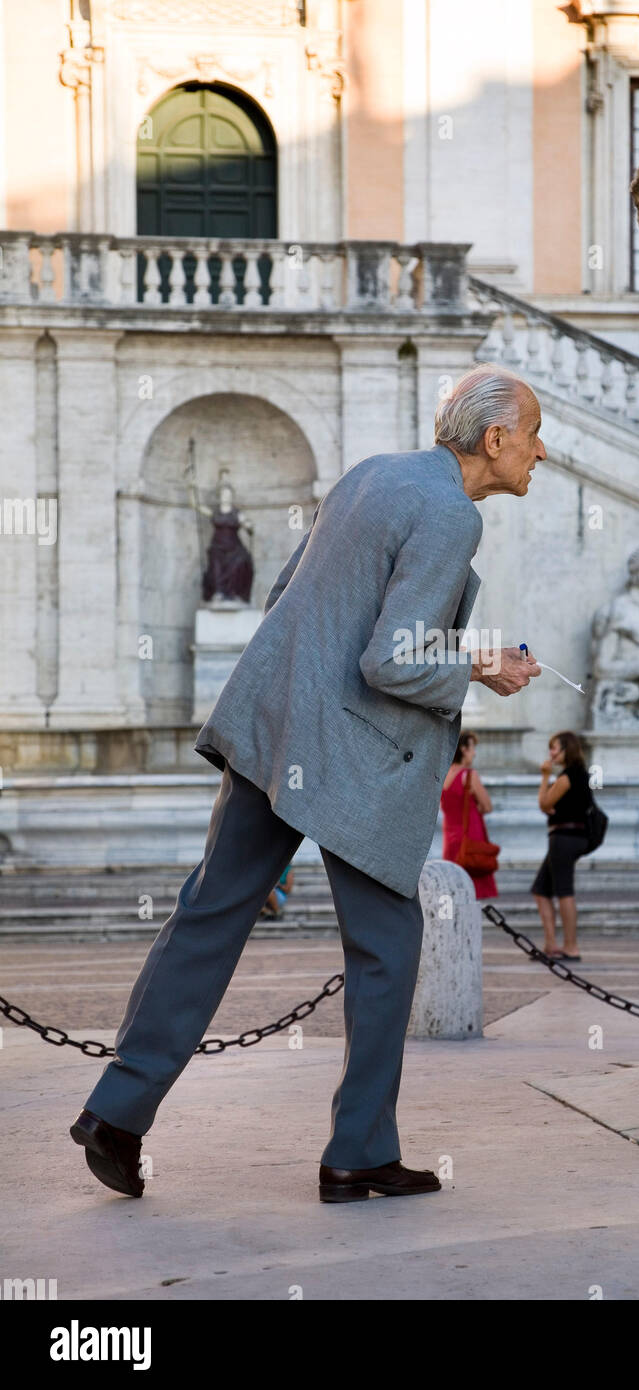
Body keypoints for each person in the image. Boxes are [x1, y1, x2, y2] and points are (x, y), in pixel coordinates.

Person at [70, 362, 545, 1205]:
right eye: (534, 434)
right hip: (351, 758)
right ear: (495, 438)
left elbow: (288, 592)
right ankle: (359, 1151)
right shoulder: (449, 512)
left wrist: (293, 698)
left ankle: (116, 1112)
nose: (541, 453)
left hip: (272, 722)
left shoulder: (371, 474)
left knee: (208, 914)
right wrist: (483, 665)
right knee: (388, 948)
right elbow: (390, 660)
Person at [531, 731, 591, 962]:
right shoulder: (580, 774)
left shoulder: (567, 776)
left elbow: (544, 803)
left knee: (564, 891)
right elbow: (549, 807)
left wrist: (545, 776)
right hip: (570, 837)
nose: (551, 753)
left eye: (554, 748)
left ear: (567, 750)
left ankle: (571, 946)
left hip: (564, 838)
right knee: (541, 889)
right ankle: (551, 944)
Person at [440, 731, 497, 900]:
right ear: (463, 749)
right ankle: (471, 924)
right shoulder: (469, 775)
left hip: (450, 837)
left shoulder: (444, 774)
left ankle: (453, 923)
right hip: (470, 835)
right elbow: (487, 806)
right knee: (473, 886)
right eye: (472, 748)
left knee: (452, 886)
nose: (474, 752)